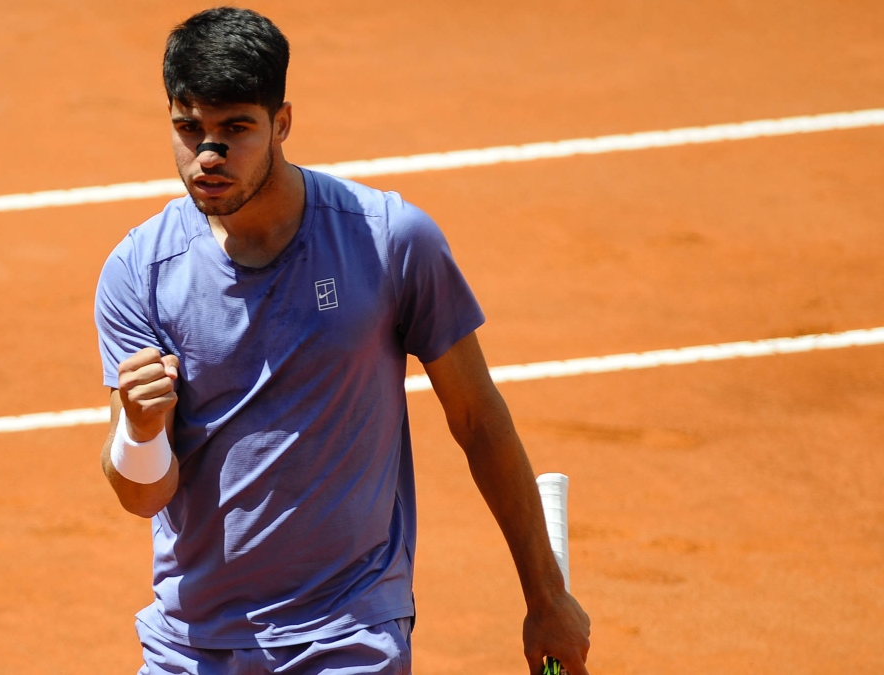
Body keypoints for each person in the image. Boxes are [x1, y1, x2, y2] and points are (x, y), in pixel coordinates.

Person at [94, 7, 590, 674]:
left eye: (235, 129)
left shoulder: (390, 239)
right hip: (192, 641)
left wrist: (546, 596)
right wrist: (139, 427)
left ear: (282, 123)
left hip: (348, 632)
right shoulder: (139, 271)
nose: (207, 156)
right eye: (189, 129)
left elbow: (477, 418)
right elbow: (141, 495)